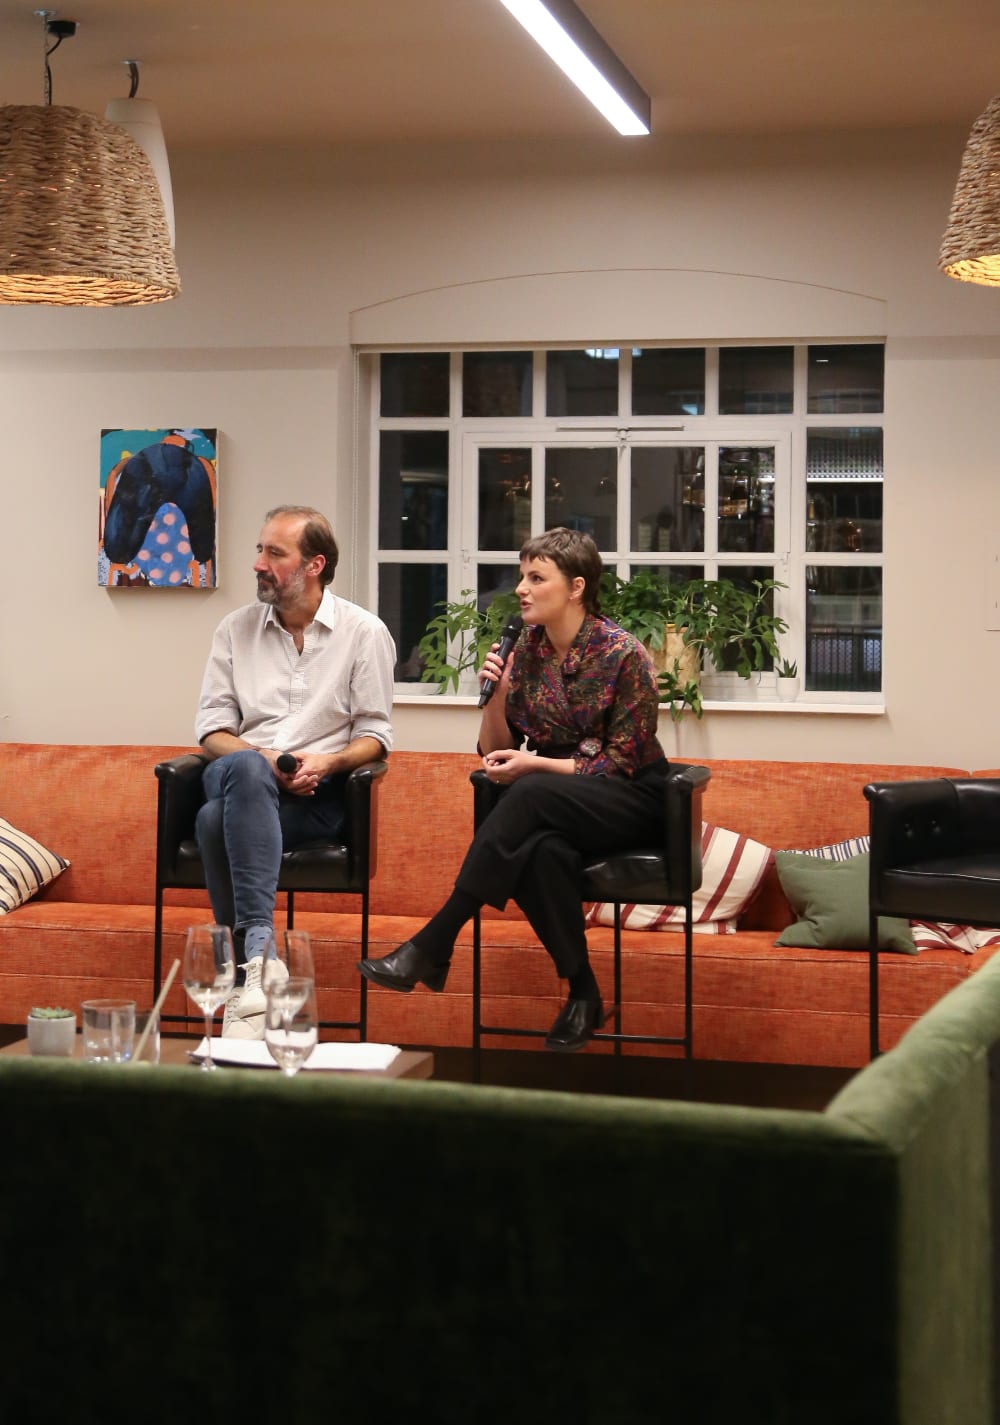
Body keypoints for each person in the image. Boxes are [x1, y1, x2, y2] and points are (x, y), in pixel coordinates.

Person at [358, 526, 667, 1053]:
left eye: (536, 578)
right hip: (558, 805)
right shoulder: (525, 649)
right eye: (522, 576)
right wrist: (498, 694)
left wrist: (538, 766)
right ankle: (585, 994)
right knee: (536, 850)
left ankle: (435, 941)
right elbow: (490, 747)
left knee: (527, 793)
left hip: (631, 799)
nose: (521, 588)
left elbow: (621, 761)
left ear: (575, 587)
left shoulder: (623, 654)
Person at [195, 504, 395, 1038]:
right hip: (237, 770)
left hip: (315, 796)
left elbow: (376, 736)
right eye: (260, 549)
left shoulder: (364, 633)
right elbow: (212, 728)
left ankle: (245, 981)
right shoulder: (234, 630)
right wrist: (261, 760)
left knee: (214, 822)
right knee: (243, 769)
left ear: (314, 564)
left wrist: (328, 761)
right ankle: (260, 957)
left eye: (274, 553)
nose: (258, 562)